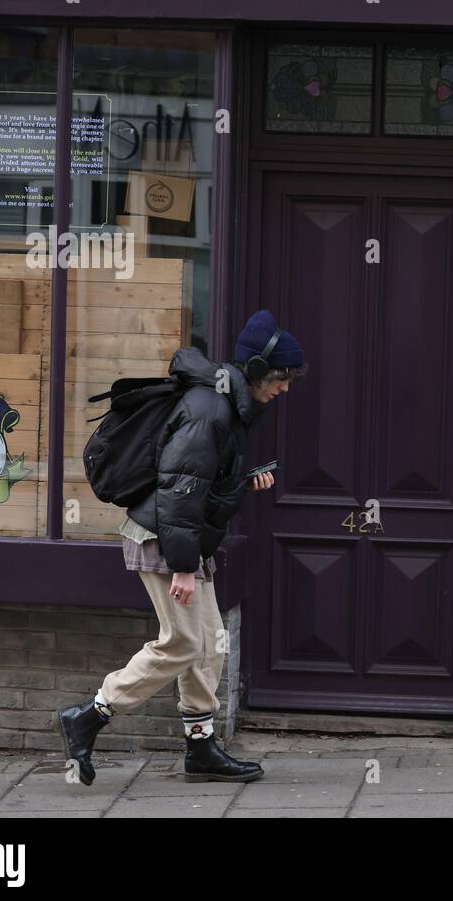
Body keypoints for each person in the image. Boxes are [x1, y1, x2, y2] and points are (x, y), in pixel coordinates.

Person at [58, 310, 306, 785]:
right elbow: (179, 489)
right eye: (281, 377)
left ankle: (201, 746)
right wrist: (185, 568)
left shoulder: (225, 406)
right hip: (163, 539)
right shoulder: (210, 409)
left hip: (183, 540)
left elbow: (201, 480)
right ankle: (90, 715)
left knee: (211, 642)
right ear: (255, 372)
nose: (285, 388)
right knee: (184, 642)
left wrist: (241, 483)